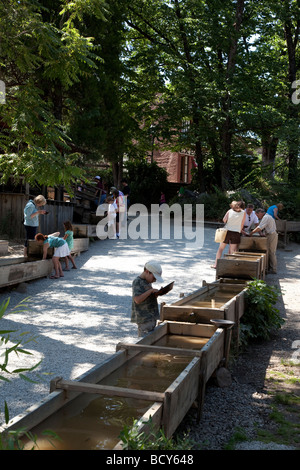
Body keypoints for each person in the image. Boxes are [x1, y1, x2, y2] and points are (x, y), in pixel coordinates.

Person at [131, 260, 163, 337]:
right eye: (154, 277)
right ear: (147, 271)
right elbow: (137, 299)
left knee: (152, 338)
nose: (155, 280)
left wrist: (155, 294)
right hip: (144, 319)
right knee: (144, 340)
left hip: (151, 318)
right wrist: (150, 291)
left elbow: (146, 297)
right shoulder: (137, 282)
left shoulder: (147, 281)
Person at [211, 201, 246, 268]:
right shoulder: (243, 212)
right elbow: (242, 223)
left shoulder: (229, 210)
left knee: (221, 249)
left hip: (227, 231)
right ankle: (230, 266)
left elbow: (224, 220)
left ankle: (216, 264)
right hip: (236, 232)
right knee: (233, 251)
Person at [250, 208, 278, 274]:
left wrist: (251, 233)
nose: (257, 217)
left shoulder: (266, 217)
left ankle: (274, 269)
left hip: (272, 235)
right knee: (268, 252)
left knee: (272, 252)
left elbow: (260, 227)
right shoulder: (267, 216)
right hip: (270, 235)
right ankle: (269, 268)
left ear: (260, 213)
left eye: (257, 215)